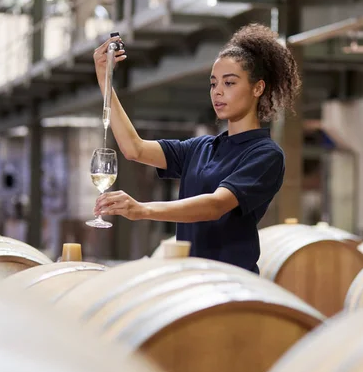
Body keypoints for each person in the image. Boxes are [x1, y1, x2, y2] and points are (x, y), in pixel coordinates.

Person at [92, 23, 301, 273]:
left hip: (231, 284)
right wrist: (106, 79)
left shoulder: (265, 154)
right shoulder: (201, 148)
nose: (218, 92)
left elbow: (215, 206)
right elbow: (133, 149)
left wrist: (141, 209)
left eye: (230, 83)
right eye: (214, 84)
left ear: (258, 88)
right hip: (191, 283)